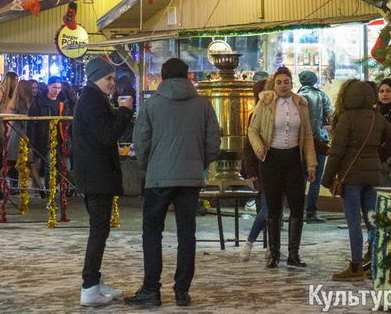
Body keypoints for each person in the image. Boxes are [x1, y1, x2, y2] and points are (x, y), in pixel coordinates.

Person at [126, 58, 221, 308]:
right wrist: (199, 162)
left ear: (162, 77)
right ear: (188, 76)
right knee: (187, 234)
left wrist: (147, 167)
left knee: (152, 233)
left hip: (158, 177)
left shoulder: (151, 105)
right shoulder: (203, 104)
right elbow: (214, 141)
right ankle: (182, 291)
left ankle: (151, 289)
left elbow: (141, 142)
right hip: (191, 178)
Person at [322, 80, 391, 281]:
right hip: (373, 176)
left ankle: (356, 266)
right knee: (373, 221)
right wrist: (378, 157)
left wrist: (327, 179)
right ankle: (376, 265)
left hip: (351, 178)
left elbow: (337, 152)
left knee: (354, 222)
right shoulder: (377, 117)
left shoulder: (346, 118)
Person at [72, 58, 133, 307]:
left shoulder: (93, 98)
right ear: (96, 78)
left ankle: (95, 282)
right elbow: (107, 135)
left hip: (94, 174)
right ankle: (89, 287)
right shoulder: (91, 100)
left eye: (113, 78)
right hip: (96, 176)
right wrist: (125, 112)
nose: (112, 83)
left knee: (100, 229)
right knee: (99, 230)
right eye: (108, 78)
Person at [247, 66, 316, 269]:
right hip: (271, 160)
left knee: (297, 207)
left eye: (286, 82)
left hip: (294, 160)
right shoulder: (265, 102)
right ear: (274, 84)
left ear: (292, 83)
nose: (283, 85)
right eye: (279, 82)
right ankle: (274, 254)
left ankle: (294, 254)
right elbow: (252, 130)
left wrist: (311, 164)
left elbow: (308, 136)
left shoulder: (301, 103)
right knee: (273, 208)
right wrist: (259, 148)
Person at [297, 70, 334, 223]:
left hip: (299, 143)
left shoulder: (295, 97)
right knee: (316, 179)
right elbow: (331, 116)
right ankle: (311, 212)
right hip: (319, 141)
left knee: (300, 179)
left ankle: (297, 212)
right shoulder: (322, 95)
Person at [239, 79, 269, 261]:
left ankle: (270, 248)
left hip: (279, 168)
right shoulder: (256, 114)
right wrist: (252, 172)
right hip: (262, 168)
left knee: (270, 211)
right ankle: (250, 243)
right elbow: (249, 147)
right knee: (267, 210)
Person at [27, 77, 68, 195]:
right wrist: (31, 140)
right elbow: (32, 123)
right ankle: (49, 190)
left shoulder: (61, 103)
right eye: (54, 87)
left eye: (59, 88)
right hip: (44, 137)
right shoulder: (39, 102)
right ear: (48, 86)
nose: (57, 90)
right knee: (48, 165)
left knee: (58, 165)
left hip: (58, 138)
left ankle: (51, 189)